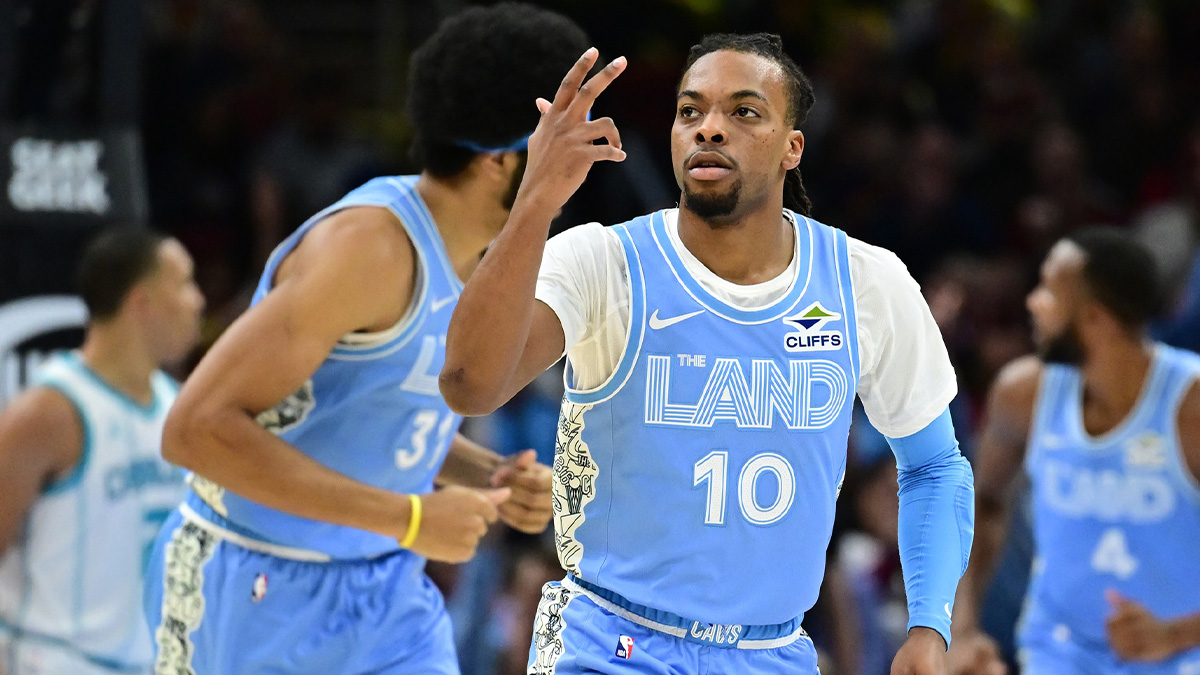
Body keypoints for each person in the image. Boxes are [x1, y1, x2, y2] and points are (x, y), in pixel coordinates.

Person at [440, 33, 989, 675]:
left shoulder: (866, 281)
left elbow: (935, 467)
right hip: (607, 640)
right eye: (690, 112)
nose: (709, 130)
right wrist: (534, 201)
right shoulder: (602, 261)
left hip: (770, 650)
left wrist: (930, 626)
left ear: (793, 147)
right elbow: (468, 385)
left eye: (744, 112)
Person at [142, 4, 588, 674]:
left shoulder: (488, 258)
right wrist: (409, 517)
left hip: (385, 592)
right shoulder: (369, 249)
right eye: (569, 133)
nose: (589, 151)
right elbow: (194, 429)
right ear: (505, 158)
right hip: (255, 584)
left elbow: (375, 411)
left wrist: (484, 474)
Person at [951, 229, 1200, 675]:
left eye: (1049, 290)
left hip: (1179, 657)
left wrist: (1175, 634)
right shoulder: (1022, 394)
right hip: (1058, 652)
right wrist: (962, 630)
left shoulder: (1191, 408)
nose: (1033, 302)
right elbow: (978, 505)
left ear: (1095, 318)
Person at [0, 228, 203, 675]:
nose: (198, 301)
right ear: (141, 302)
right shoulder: (49, 412)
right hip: (53, 659)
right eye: (185, 283)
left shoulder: (179, 410)